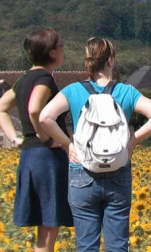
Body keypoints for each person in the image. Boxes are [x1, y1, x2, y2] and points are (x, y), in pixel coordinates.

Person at [40, 37, 151, 252]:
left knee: (86, 246)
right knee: (117, 246)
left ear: (87, 62)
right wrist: (132, 141)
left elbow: (45, 118)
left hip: (82, 172)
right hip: (118, 172)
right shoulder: (126, 91)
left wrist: (67, 144)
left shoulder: (73, 91)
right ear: (110, 61)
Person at [0, 29, 73, 252]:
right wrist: (46, 137)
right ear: (52, 53)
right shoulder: (44, 78)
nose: (63, 48)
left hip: (30, 156)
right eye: (61, 45)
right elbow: (34, 109)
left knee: (44, 229)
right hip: (47, 159)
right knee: (49, 229)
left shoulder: (23, 79)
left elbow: (2, 107)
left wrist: (15, 138)